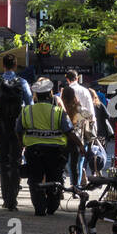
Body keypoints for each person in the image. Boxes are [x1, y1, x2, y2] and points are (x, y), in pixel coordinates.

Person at [19, 76, 83, 215]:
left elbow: (18, 130)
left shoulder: (26, 111)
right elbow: (69, 131)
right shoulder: (58, 112)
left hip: (34, 151)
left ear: (35, 95)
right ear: (50, 94)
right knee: (55, 179)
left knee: (35, 179)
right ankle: (52, 206)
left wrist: (21, 145)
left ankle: (39, 207)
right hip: (55, 152)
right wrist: (81, 145)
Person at [0, 55, 33, 211]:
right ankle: (14, 196)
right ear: (16, 65)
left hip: (1, 126)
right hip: (18, 127)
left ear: (3, 65)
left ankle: (7, 199)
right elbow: (30, 106)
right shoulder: (23, 83)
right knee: (16, 161)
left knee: (3, 162)